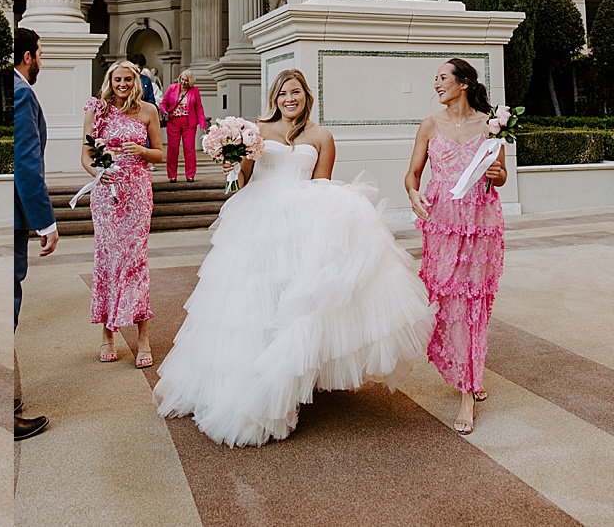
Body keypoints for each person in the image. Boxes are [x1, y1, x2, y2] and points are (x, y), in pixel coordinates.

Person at [154, 69, 434, 447]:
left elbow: (323, 187)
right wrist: (231, 168)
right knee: (251, 301)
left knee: (295, 301)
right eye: (284, 93)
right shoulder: (256, 130)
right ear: (275, 97)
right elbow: (243, 182)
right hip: (258, 220)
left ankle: (287, 380)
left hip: (302, 224)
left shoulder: (321, 137)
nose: (290, 98)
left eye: (297, 93)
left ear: (306, 97)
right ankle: (249, 383)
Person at [405, 58, 506, 435]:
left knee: (473, 304)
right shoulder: (430, 125)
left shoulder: (492, 125)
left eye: (443, 78)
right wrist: (413, 194)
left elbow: (501, 176)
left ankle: (469, 388)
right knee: (446, 301)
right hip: (442, 225)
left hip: (481, 224)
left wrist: (498, 173)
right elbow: (412, 174)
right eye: (435, 79)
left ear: (464, 83)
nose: (436, 84)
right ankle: (466, 371)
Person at [83, 61, 164, 369]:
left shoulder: (148, 111)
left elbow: (159, 152)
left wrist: (141, 151)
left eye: (128, 79)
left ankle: (142, 338)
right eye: (117, 79)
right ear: (110, 81)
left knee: (135, 260)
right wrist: (96, 172)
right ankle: (108, 335)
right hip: (105, 193)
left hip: (138, 191)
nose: (123, 83)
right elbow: (85, 154)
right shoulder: (97, 111)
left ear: (136, 80)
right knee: (107, 260)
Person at [13, 27, 57, 441]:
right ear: (28, 55)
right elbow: (27, 164)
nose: (40, 59)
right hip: (14, 217)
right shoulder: (22, 92)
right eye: (40, 52)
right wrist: (45, 220)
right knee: (8, 305)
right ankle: (6, 410)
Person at [160, 70, 206, 182]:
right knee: (172, 149)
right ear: (180, 78)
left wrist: (202, 123)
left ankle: (190, 175)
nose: (184, 82)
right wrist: (164, 111)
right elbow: (163, 103)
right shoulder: (172, 88)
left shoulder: (195, 91)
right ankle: (172, 175)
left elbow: (199, 107)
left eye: (187, 80)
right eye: (182, 79)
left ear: (191, 81)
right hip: (173, 122)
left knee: (189, 149)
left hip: (189, 123)